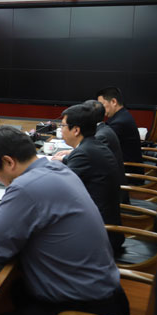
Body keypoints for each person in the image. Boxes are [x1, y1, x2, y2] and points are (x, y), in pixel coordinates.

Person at [0, 126, 129, 315]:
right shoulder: (59, 169)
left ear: (9, 162)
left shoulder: (25, 187)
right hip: (109, 301)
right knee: (15, 290)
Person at [53, 104, 124, 251]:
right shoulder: (92, 145)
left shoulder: (84, 153)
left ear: (76, 130)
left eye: (63, 125)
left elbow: (60, 190)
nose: (61, 129)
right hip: (100, 224)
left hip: (99, 234)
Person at [96, 86, 143, 165]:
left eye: (102, 104)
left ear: (114, 102)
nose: (101, 109)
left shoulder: (119, 122)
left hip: (127, 169)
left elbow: (98, 144)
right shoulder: (122, 115)